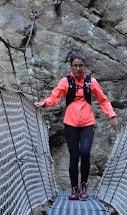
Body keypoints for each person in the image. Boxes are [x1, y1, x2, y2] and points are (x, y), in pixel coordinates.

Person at [35, 52, 118, 200]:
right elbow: (55, 96)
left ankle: (84, 185)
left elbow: (103, 99)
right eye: (75, 66)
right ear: (71, 67)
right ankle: (74, 189)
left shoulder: (90, 82)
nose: (78, 69)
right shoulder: (65, 82)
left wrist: (111, 115)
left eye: (81, 66)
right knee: (74, 156)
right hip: (71, 122)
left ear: (84, 66)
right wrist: (45, 103)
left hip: (87, 122)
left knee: (85, 153)